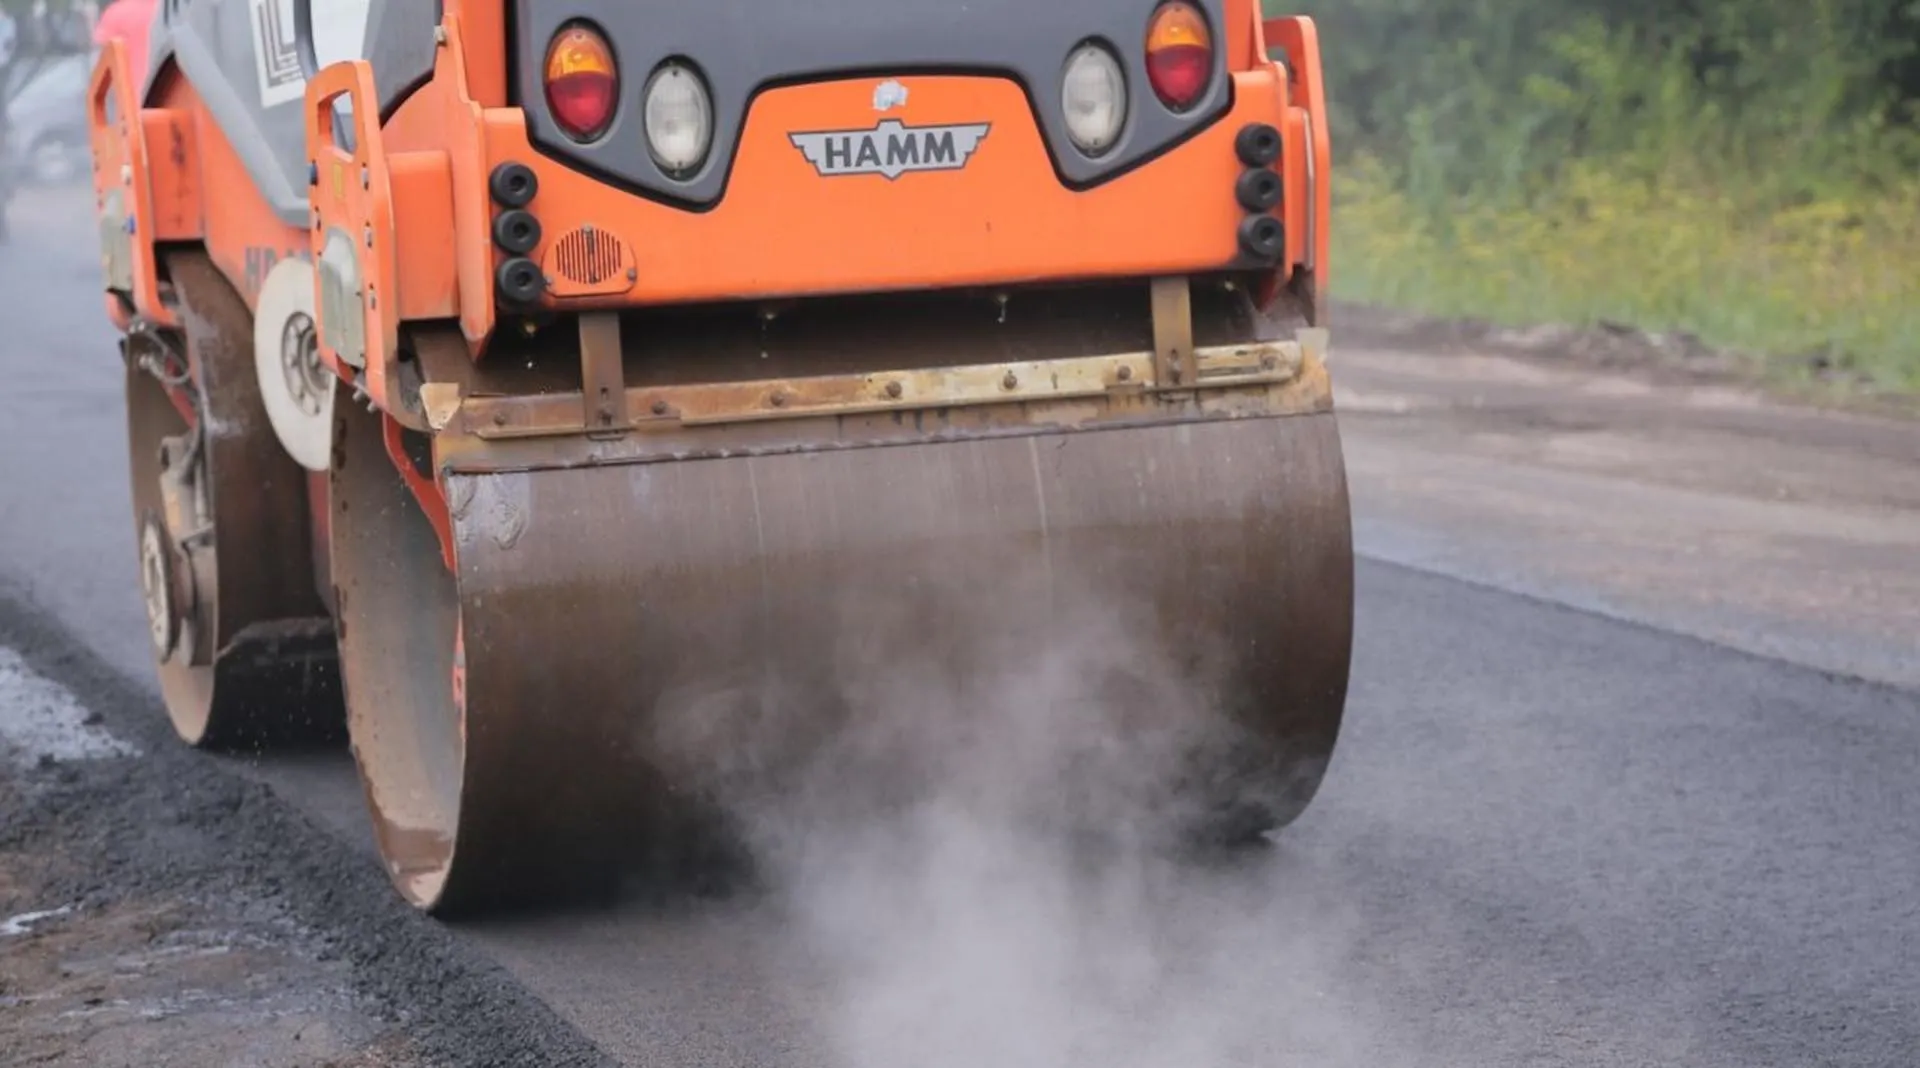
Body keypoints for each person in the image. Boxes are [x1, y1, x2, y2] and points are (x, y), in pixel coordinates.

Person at [92, 0, 156, 87]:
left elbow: (102, 67)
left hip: (132, 94)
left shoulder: (115, 13)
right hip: (171, 90)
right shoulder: (169, 9)